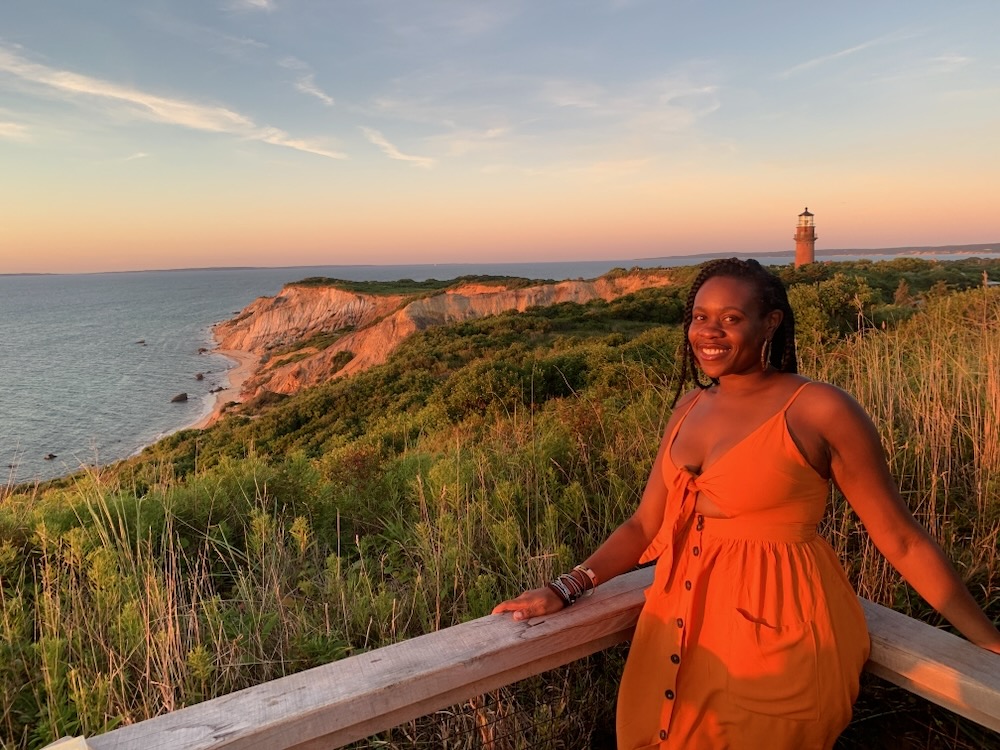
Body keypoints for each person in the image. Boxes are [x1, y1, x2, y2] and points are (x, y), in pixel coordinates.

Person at [492, 257, 1000, 749]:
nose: (708, 332)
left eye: (731, 319)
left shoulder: (820, 408)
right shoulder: (690, 405)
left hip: (779, 630)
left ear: (770, 324)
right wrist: (566, 587)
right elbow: (645, 523)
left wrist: (989, 642)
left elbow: (901, 538)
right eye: (700, 317)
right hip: (676, 630)